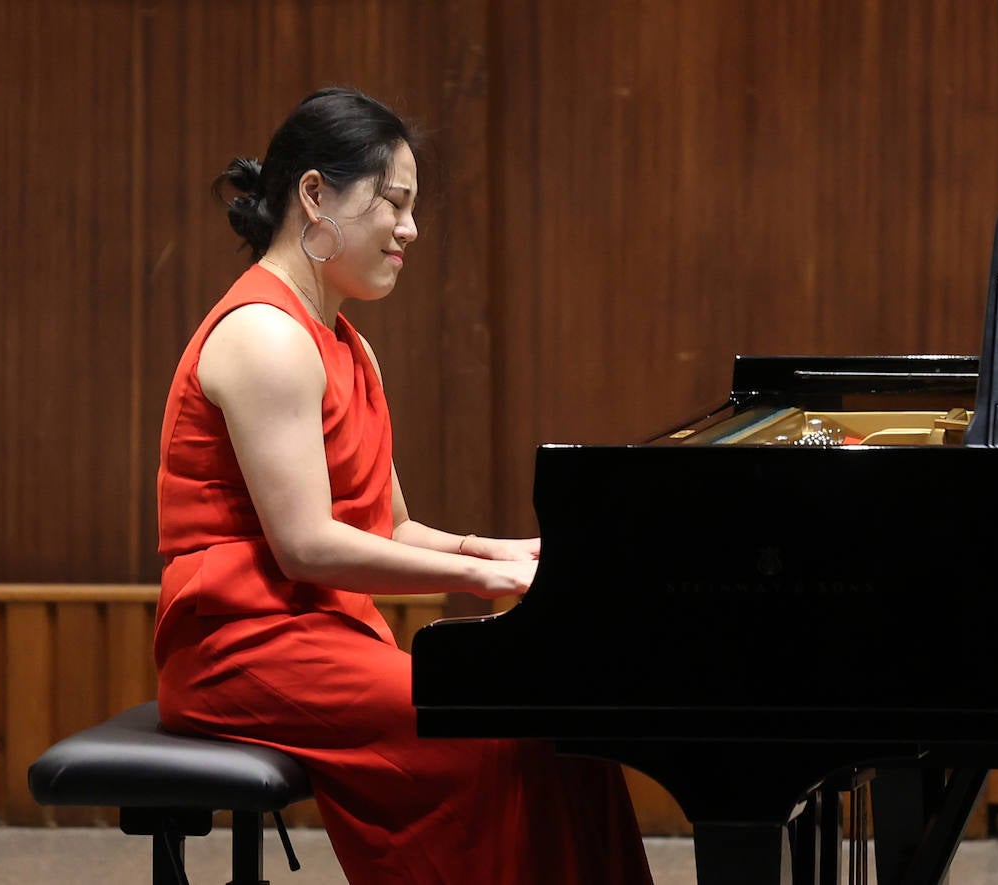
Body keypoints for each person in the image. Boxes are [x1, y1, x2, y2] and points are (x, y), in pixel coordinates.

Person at [152, 87, 654, 884]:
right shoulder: (263, 336)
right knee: (490, 730)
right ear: (314, 194)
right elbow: (307, 545)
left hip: (319, 638)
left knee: (553, 717)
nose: (410, 228)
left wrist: (511, 551)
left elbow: (388, 525)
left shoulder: (349, 346)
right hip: (243, 650)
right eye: (394, 202)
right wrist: (479, 575)